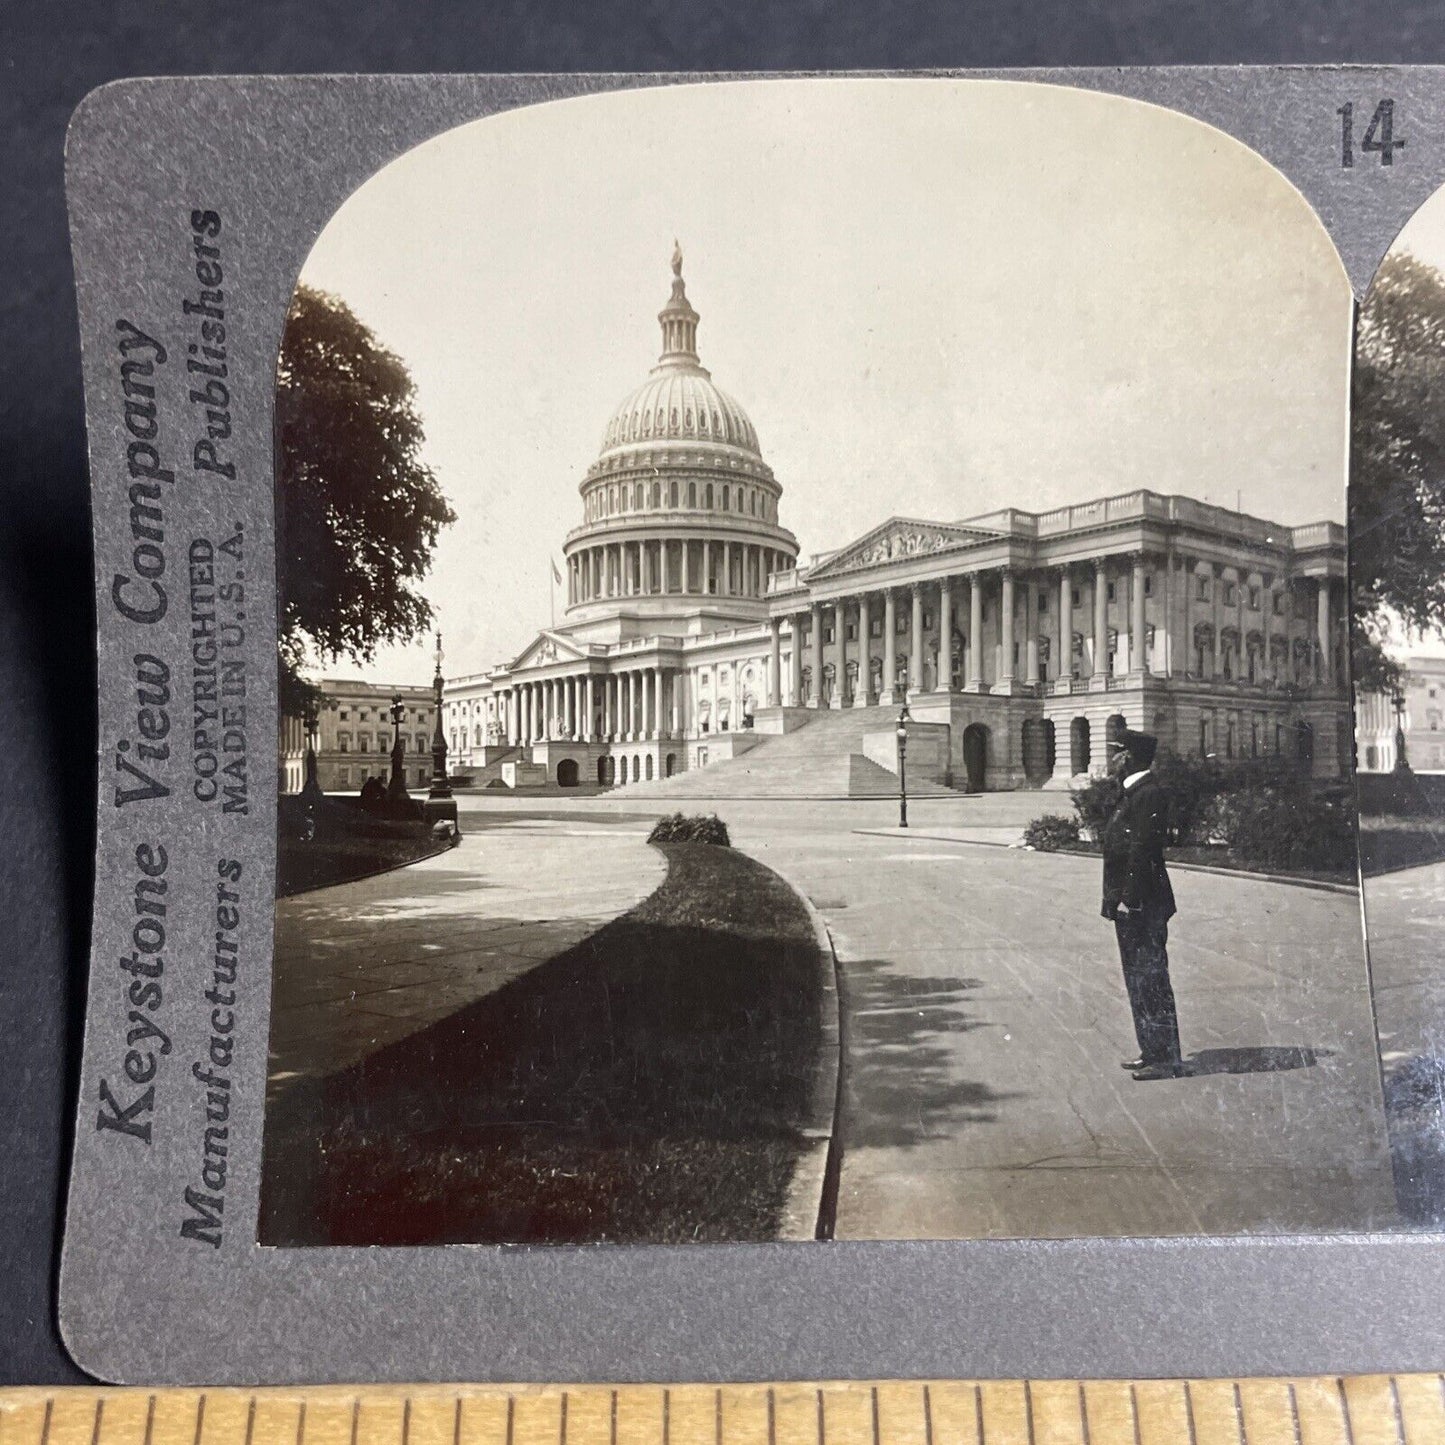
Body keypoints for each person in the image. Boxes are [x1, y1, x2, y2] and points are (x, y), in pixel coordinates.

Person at [1100, 728, 1186, 1081]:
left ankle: (1165, 1059)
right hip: (1133, 902)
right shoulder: (1133, 791)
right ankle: (1151, 1050)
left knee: (1150, 978)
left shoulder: (1148, 794)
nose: (1111, 759)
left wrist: (1128, 899)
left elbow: (1143, 851)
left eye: (1115, 752)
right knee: (1139, 978)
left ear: (1129, 757)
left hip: (1142, 903)